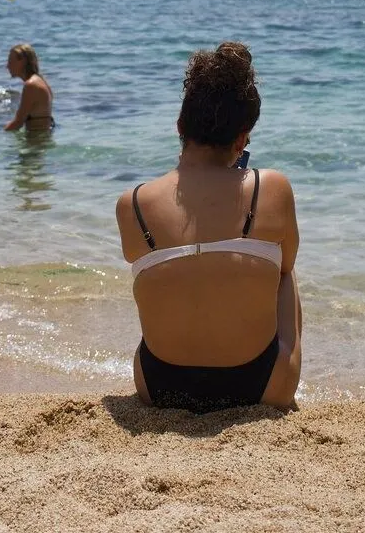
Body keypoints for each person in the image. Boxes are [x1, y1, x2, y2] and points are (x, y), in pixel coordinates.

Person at [116, 42, 302, 413]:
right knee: (283, 268)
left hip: (159, 386)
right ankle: (276, 386)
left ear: (180, 126)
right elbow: (285, 266)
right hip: (260, 386)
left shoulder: (132, 203)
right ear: (242, 138)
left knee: (163, 269)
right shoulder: (271, 187)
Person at [4, 43, 54, 132]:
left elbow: (18, 123)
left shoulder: (31, 85)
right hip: (42, 138)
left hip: (35, 140)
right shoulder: (41, 80)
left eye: (10, 61)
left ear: (22, 61)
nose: (7, 66)